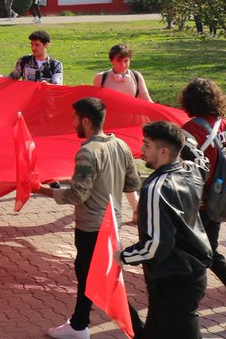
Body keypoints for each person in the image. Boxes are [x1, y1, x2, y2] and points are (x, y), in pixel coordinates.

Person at [46, 97, 142, 339]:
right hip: (113, 223)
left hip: (92, 226)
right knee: (91, 275)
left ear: (86, 120)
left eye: (75, 118)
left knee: (101, 280)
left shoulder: (88, 152)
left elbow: (78, 195)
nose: (73, 123)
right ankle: (79, 324)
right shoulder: (120, 145)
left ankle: (140, 331)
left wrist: (43, 190)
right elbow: (132, 182)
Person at [121, 120, 212, 338]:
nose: (141, 150)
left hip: (173, 280)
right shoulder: (192, 171)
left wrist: (122, 256)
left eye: (146, 145)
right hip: (189, 274)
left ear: (163, 151)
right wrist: (183, 139)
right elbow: (203, 160)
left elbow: (155, 246)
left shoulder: (155, 188)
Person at [179, 77, 226, 286]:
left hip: (201, 200)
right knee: (209, 244)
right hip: (220, 194)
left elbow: (186, 168)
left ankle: (190, 288)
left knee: (201, 249)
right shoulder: (223, 123)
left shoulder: (190, 130)